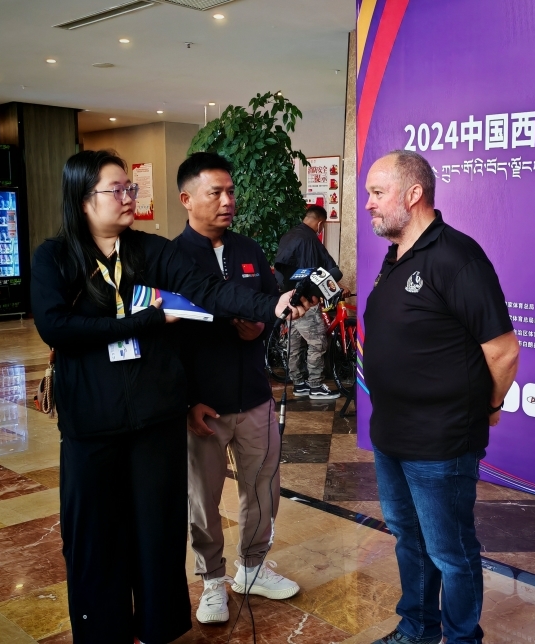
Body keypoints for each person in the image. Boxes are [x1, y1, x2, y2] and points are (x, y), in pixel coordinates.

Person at [30, 150, 309, 644]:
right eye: (117, 189)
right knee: (94, 534)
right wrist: (145, 321)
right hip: (92, 420)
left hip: (154, 417)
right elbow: (57, 327)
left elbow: (209, 291)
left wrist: (272, 303)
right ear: (83, 198)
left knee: (157, 530)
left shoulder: (152, 252)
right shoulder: (55, 257)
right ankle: (103, 631)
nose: (128, 197)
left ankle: (157, 629)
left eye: (130, 188)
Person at [362, 151, 519, 644]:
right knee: (408, 539)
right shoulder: (395, 256)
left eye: (377, 193)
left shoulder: (457, 257)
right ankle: (418, 630)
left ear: (414, 194)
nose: (368, 204)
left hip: (441, 442)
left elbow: (503, 351)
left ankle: (462, 638)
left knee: (450, 552)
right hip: (391, 435)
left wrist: (489, 406)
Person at [173, 152, 299, 625]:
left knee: (263, 489)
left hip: (254, 398)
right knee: (202, 501)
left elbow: (270, 306)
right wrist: (187, 401)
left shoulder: (249, 250)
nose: (228, 201)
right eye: (216, 193)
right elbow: (167, 342)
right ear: (187, 199)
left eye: (231, 192)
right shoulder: (172, 258)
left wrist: (260, 329)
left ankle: (252, 568)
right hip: (202, 407)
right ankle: (211, 581)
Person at [273, 205, 342, 400]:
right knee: (318, 342)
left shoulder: (288, 236)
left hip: (287, 299)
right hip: (305, 301)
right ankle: (316, 385)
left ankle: (299, 384)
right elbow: (324, 271)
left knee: (294, 344)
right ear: (320, 224)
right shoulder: (311, 240)